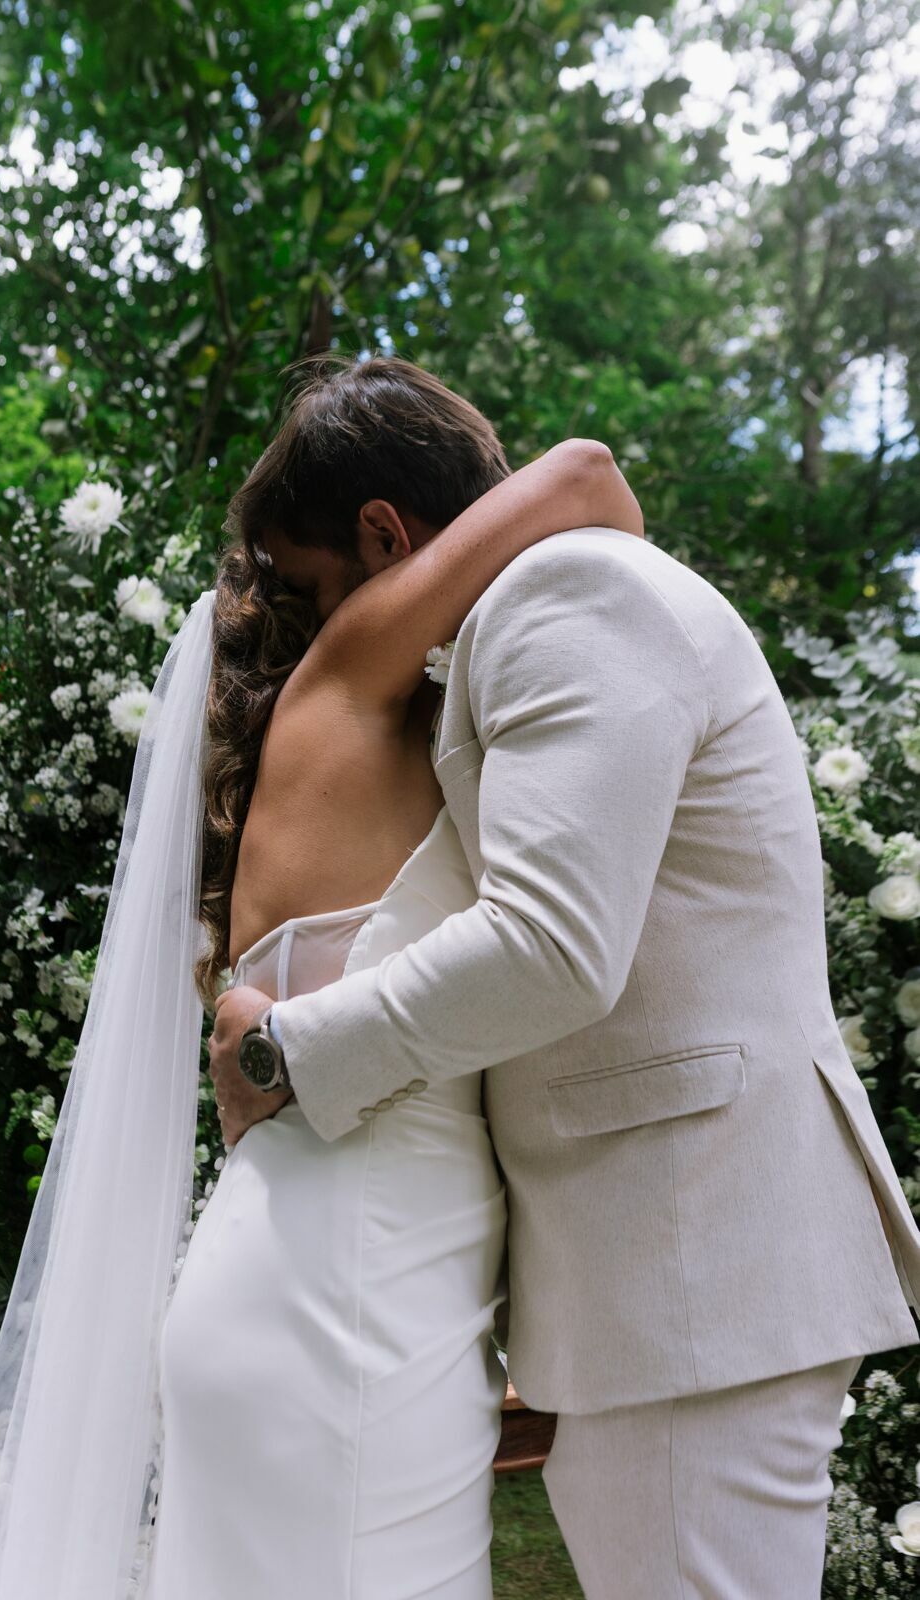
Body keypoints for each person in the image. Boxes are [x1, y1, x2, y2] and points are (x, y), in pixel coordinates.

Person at [212, 354, 920, 1599]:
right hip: (666, 1273)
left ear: (385, 532)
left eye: (318, 591)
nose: (325, 634)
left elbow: (551, 945)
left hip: (701, 1260)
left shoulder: (567, 593)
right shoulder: (549, 600)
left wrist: (286, 1051)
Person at [140, 361, 645, 1600]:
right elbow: (588, 477)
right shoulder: (348, 678)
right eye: (310, 589)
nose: (303, 617)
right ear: (389, 537)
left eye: (301, 583)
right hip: (343, 1301)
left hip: (330, 1279)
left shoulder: (398, 727)